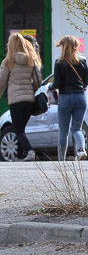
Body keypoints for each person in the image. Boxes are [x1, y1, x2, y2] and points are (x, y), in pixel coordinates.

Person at [0, 32, 42, 162]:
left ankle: (29, 152)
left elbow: (1, 81)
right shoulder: (31, 61)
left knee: (18, 130)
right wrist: (31, 91)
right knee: (22, 129)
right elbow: (38, 81)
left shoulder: (8, 62)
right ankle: (19, 156)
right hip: (29, 100)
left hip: (16, 100)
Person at [51, 35, 88, 161]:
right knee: (77, 128)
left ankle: (61, 160)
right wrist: (81, 89)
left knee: (64, 131)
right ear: (75, 46)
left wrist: (50, 86)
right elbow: (87, 80)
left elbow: (57, 84)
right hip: (80, 97)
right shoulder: (82, 61)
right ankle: (81, 150)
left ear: (63, 47)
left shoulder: (59, 63)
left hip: (65, 98)